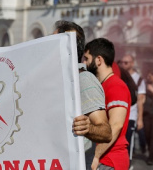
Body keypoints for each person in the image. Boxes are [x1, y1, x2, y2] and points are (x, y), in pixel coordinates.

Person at [53, 21, 112, 162]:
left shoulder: (83, 79)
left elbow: (106, 132)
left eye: (52, 41)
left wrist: (88, 127)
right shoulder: (55, 78)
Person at [84, 38, 131, 170]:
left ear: (98, 60)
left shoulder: (116, 86)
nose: (84, 63)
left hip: (109, 161)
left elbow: (116, 125)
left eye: (86, 58)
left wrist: (96, 156)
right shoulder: (103, 85)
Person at [119, 54, 146, 158]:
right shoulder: (118, 76)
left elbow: (140, 100)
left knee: (128, 143)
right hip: (119, 115)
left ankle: (128, 164)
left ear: (132, 64)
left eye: (126, 62)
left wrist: (140, 119)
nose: (123, 64)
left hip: (131, 116)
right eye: (121, 62)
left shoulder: (138, 80)